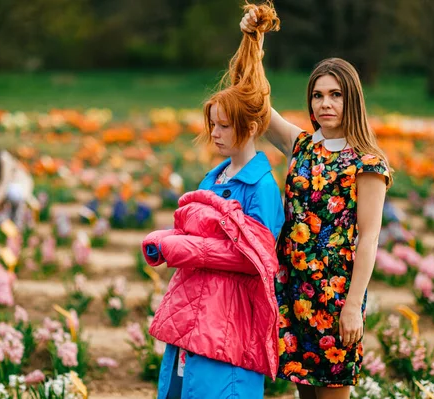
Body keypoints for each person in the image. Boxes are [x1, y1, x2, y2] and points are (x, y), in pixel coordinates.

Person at [240, 7, 392, 399]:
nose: (326, 104)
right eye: (319, 95)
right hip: (292, 291)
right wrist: (253, 41)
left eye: (336, 95)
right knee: (303, 395)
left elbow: (369, 238)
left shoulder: (368, 163)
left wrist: (353, 305)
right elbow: (255, 102)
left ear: (351, 99)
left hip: (336, 296)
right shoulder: (302, 146)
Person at [141, 3, 285, 398]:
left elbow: (254, 256)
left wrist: (185, 246)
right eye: (214, 125)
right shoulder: (215, 175)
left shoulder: (261, 187)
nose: (216, 134)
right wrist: (176, 241)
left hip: (228, 322)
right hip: (194, 313)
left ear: (252, 127)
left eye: (225, 126)